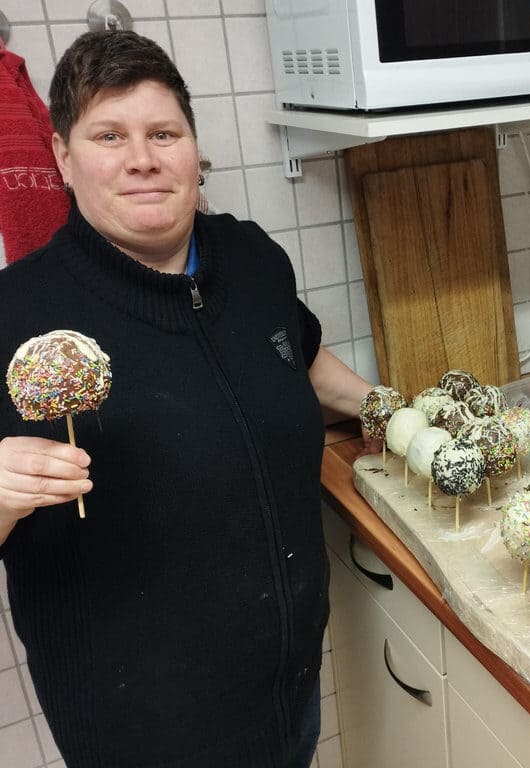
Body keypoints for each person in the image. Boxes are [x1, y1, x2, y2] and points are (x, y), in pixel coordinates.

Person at [0, 30, 378, 768]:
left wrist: (398, 410)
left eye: (163, 133)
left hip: (287, 689)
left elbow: (299, 360)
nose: (142, 158)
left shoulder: (252, 256)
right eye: (110, 135)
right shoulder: (16, 313)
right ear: (62, 157)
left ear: (193, 150)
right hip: (144, 730)